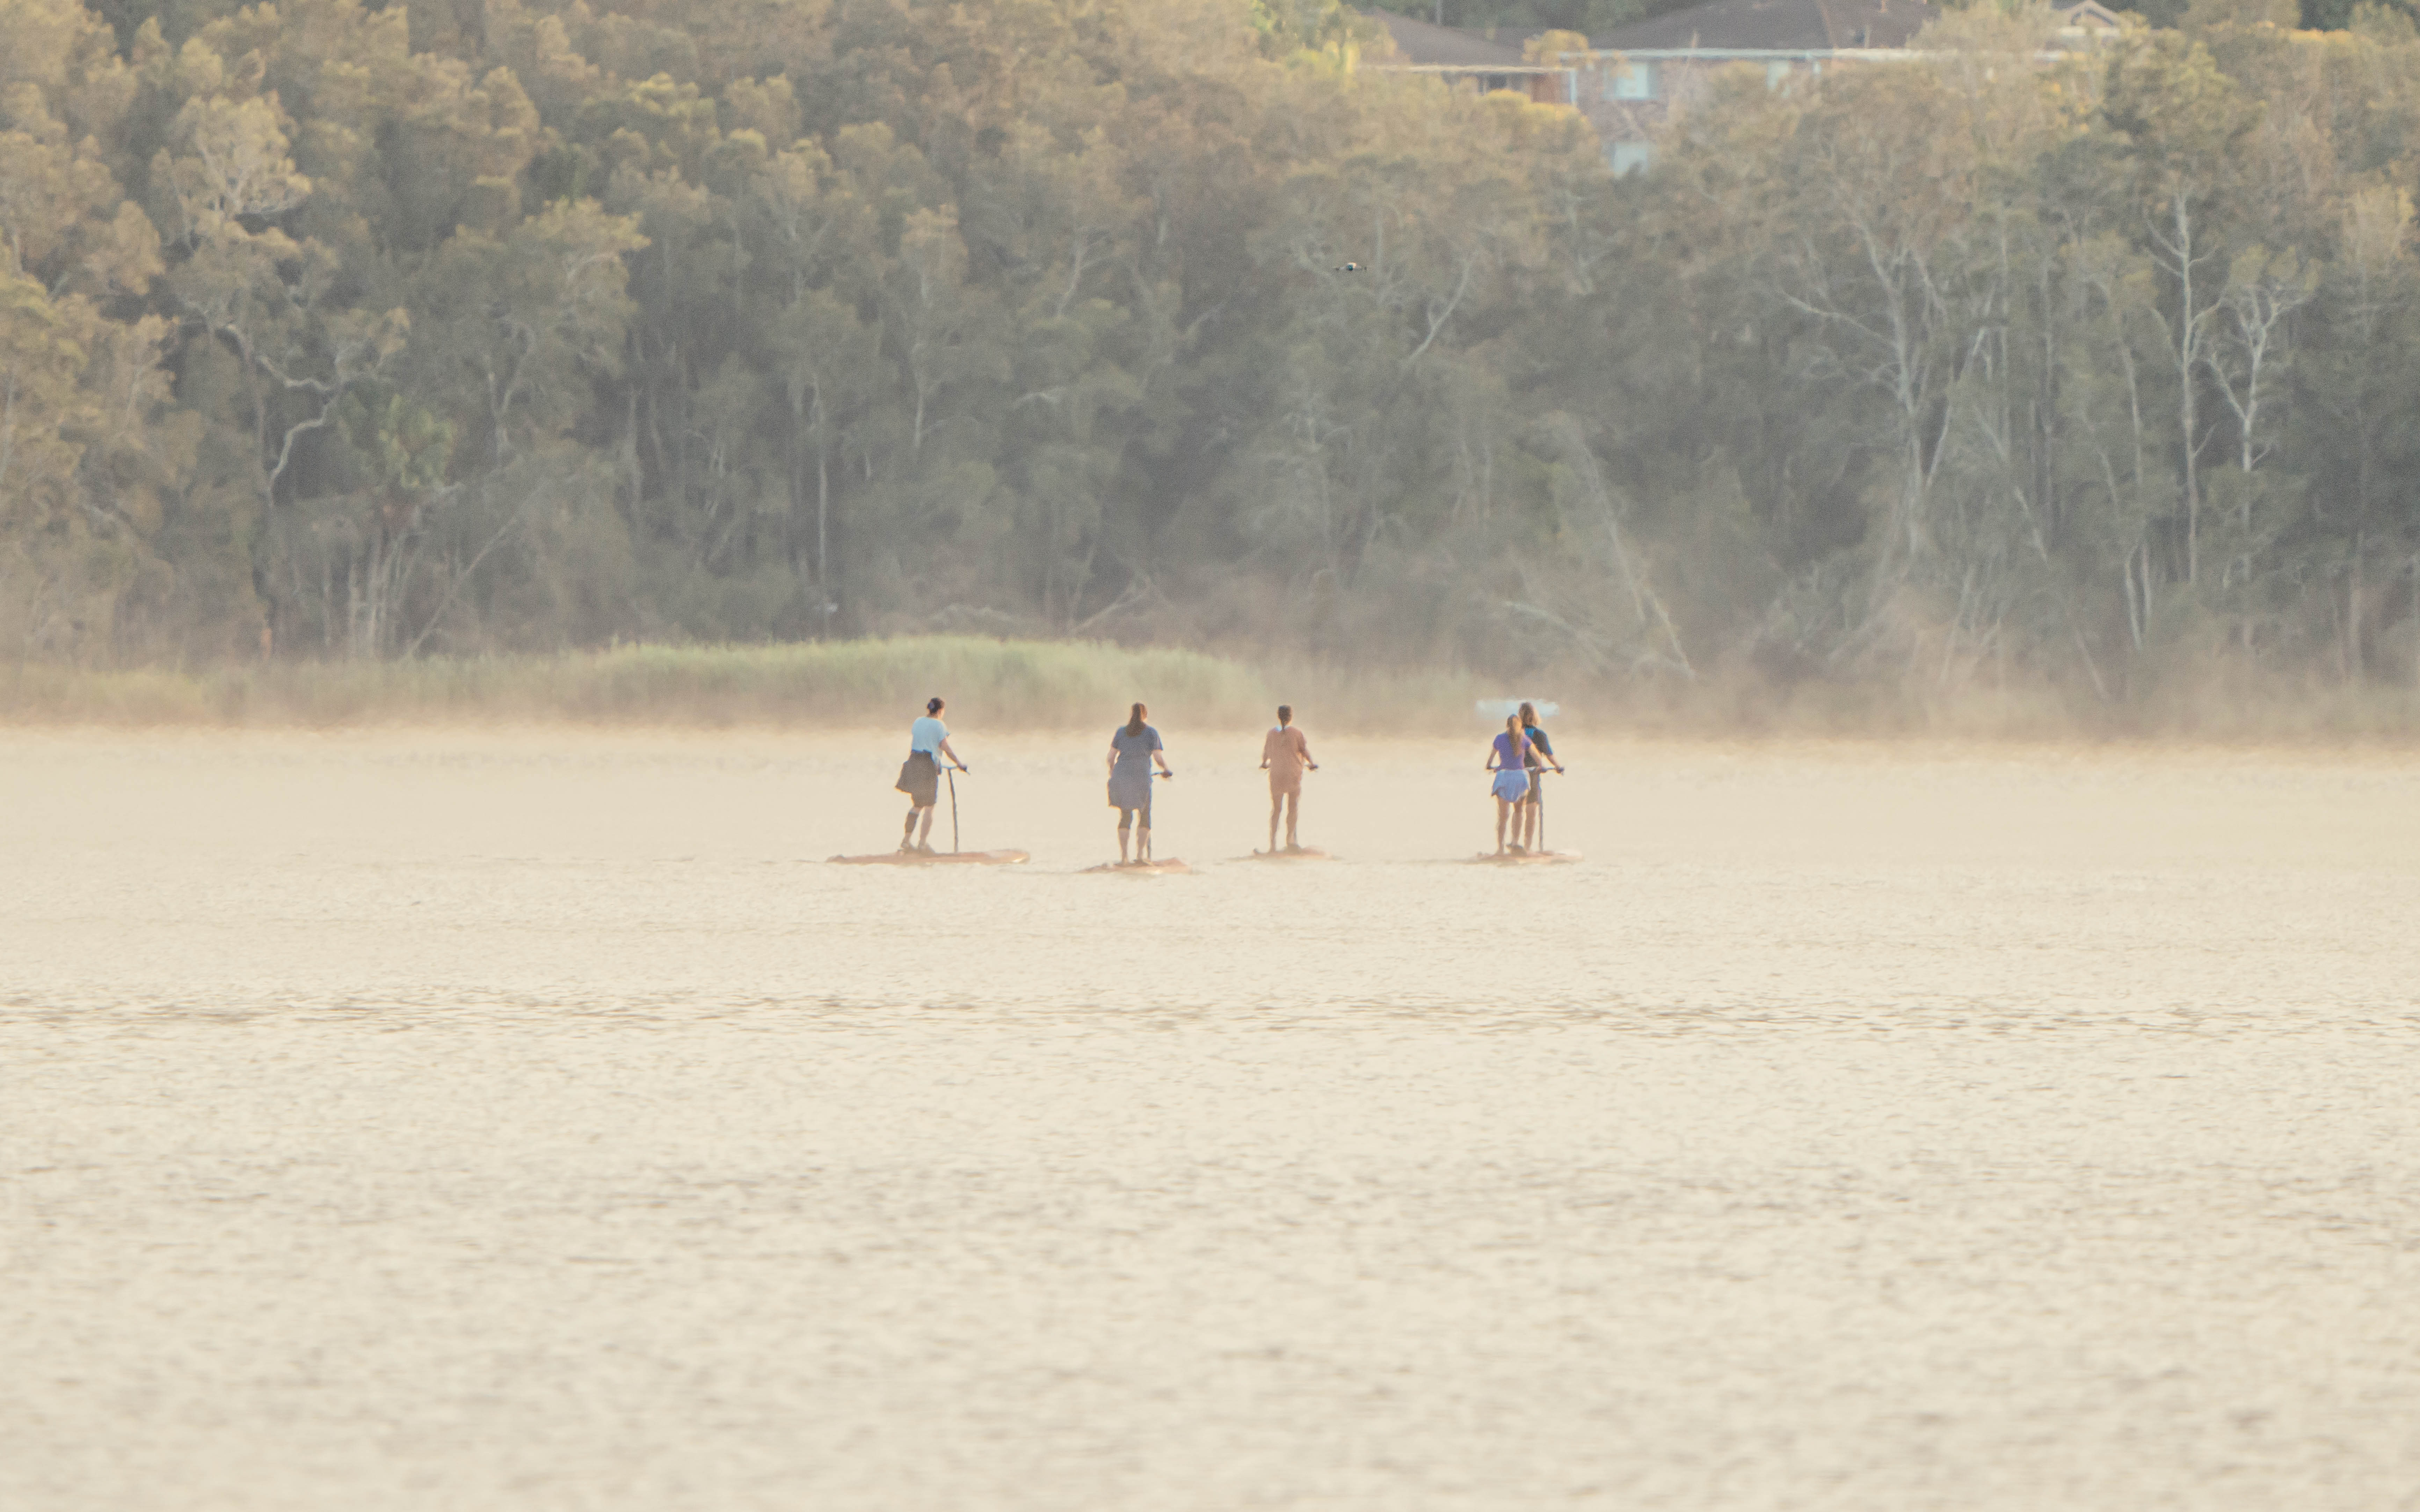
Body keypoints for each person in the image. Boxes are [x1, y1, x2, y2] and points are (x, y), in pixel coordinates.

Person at [895, 696, 966, 853]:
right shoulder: (939, 725)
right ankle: (922, 845)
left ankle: (906, 842)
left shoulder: (918, 721)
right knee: (929, 807)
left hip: (913, 763)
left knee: (918, 805)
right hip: (927, 765)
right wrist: (959, 764)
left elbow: (923, 741)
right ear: (941, 711)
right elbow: (944, 747)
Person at [1106, 702, 1173, 863]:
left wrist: (1113, 771)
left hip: (1121, 777)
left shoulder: (1121, 732)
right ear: (1145, 715)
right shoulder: (1151, 733)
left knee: (1125, 816)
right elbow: (1158, 758)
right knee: (1144, 817)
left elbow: (1110, 757)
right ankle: (1140, 857)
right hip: (1141, 778)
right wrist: (1166, 770)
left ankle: (1124, 859)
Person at [1258, 705, 1318, 853]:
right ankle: (1291, 842)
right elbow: (1304, 751)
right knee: (1292, 808)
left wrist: (1265, 763)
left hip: (1277, 776)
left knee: (1277, 810)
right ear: (1291, 716)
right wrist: (1311, 764)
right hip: (1293, 776)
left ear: (1278, 716)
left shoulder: (1272, 733)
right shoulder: (1297, 733)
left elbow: (1266, 753)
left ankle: (1272, 845)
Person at [1515, 700, 1565, 854]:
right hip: (1532, 776)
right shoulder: (1540, 735)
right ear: (1534, 716)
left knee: (1517, 811)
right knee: (1531, 812)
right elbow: (1549, 755)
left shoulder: (1514, 735)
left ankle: (1514, 844)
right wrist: (1558, 767)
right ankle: (1528, 848)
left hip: (1516, 775)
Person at [1485, 714, 1534, 856]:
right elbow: (1536, 756)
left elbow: (1489, 762)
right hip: (1520, 777)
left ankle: (1500, 849)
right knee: (1519, 812)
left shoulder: (1499, 739)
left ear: (1507, 725)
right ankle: (1514, 844)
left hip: (1504, 777)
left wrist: (1491, 767)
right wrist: (1541, 767)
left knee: (1503, 816)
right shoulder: (1524, 739)